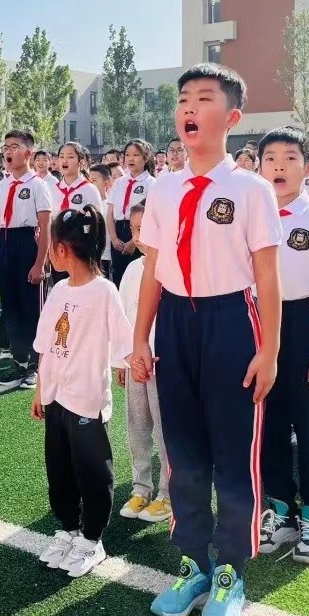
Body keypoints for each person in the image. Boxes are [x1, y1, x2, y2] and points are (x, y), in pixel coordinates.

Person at [132, 64, 282, 616]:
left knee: (233, 453)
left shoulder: (250, 189)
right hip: (175, 321)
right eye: (183, 100)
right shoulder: (163, 187)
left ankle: (230, 572)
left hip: (230, 322)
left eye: (203, 98)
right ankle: (194, 563)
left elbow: (267, 276)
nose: (189, 108)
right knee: (184, 452)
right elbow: (154, 267)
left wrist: (269, 351)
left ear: (232, 116)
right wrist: (140, 337)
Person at [256, 127, 309, 564]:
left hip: (305, 322)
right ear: (258, 167)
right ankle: (281, 509)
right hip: (258, 324)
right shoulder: (251, 215)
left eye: (290, 158)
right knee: (268, 423)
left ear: (307, 167)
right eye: (270, 158)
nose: (279, 167)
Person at [33, 205, 132, 579]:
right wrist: (40, 388)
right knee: (59, 468)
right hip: (56, 397)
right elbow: (46, 344)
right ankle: (69, 529)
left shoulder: (104, 291)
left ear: (61, 249)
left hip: (87, 400)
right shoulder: (59, 289)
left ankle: (92, 539)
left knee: (92, 471)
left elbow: (123, 341)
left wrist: (133, 363)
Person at [116, 202, 172, 525]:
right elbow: (124, 317)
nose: (137, 237)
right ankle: (141, 488)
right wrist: (123, 361)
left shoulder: (171, 268)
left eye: (143, 229)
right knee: (137, 429)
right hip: (135, 363)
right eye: (133, 229)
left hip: (163, 363)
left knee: (166, 431)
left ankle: (168, 492)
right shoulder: (132, 270)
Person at [0, 130, 53, 389]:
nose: (8, 151)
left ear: (28, 153)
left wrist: (39, 263)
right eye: (5, 146)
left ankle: (37, 365)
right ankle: (19, 363)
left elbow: (45, 226)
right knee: (11, 307)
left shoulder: (38, 185)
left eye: (14, 146)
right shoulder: (2, 185)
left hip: (28, 242)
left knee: (31, 307)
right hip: (5, 243)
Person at [107, 139, 154, 287]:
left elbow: (150, 216)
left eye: (136, 155)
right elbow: (110, 212)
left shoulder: (151, 183)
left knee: (137, 279)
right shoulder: (119, 182)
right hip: (118, 232)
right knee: (118, 278)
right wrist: (114, 238)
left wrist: (133, 242)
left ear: (146, 158)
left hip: (140, 233)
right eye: (127, 155)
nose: (131, 159)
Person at [88, 164, 115, 278]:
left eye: (94, 180)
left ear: (106, 183)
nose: (90, 184)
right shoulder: (86, 204)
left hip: (106, 255)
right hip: (89, 255)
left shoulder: (111, 205)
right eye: (89, 180)